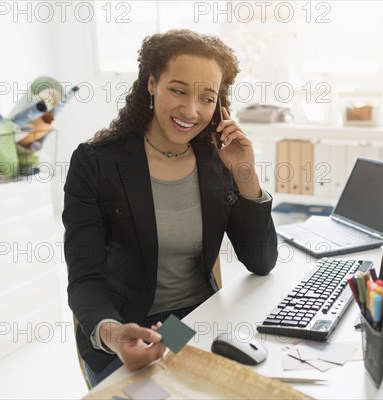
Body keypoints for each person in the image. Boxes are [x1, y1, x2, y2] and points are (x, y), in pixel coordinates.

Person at [62, 29, 278, 388]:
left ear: (219, 105)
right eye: (178, 90)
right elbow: (84, 280)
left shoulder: (215, 161)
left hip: (189, 325)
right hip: (124, 331)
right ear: (151, 83)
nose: (191, 111)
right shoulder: (96, 163)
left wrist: (245, 174)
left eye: (206, 98)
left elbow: (261, 260)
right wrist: (114, 336)